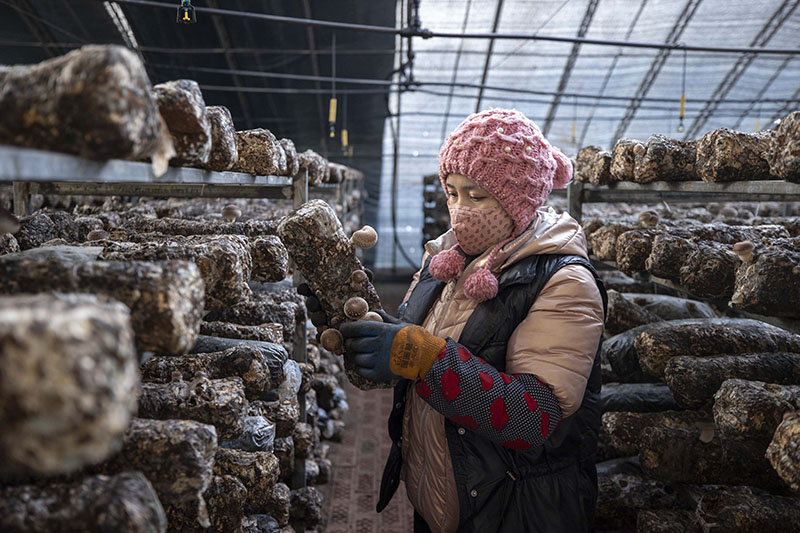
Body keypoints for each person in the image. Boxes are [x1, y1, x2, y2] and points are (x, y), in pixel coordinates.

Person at [305, 109, 606, 532]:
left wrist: (422, 357)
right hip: (449, 495)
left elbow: (532, 417)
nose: (460, 209)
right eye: (452, 192)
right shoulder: (448, 259)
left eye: (477, 196)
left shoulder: (563, 282)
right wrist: (370, 327)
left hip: (513, 507)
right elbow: (433, 344)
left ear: (518, 199)